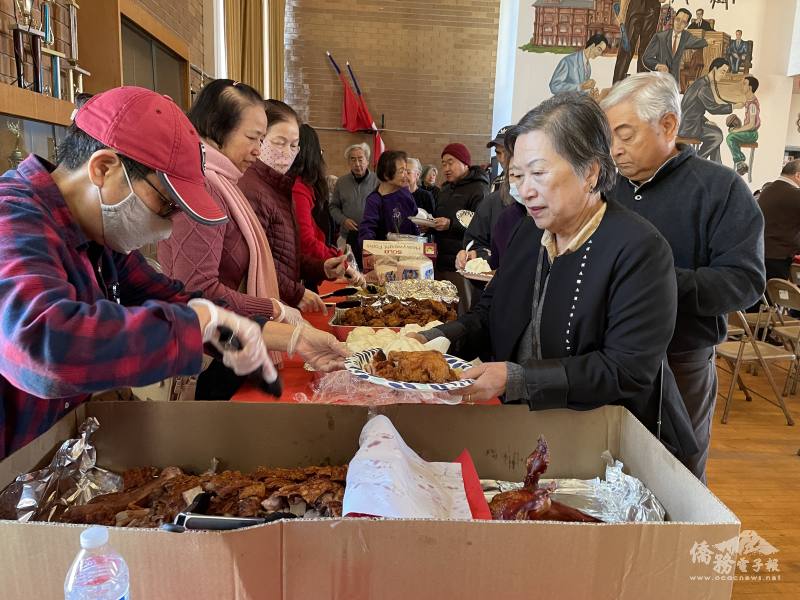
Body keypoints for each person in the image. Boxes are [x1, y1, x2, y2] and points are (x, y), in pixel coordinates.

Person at [0, 87, 345, 458]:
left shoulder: (100, 240)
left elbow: (178, 300)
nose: (168, 225)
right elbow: (44, 350)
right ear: (103, 168)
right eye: (165, 203)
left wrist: (293, 339)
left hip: (53, 450)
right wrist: (195, 325)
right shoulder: (14, 221)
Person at [415, 93, 697, 461]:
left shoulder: (640, 249)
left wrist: (519, 379)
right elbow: (489, 314)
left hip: (604, 445)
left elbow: (626, 369)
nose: (525, 189)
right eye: (518, 175)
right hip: (525, 428)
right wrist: (428, 340)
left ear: (591, 172)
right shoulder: (529, 231)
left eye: (539, 172)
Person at [601, 72, 765, 481]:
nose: (615, 151)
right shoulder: (606, 189)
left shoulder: (720, 189)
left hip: (680, 361)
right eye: (610, 138)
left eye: (625, 135)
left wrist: (656, 281)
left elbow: (744, 281)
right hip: (603, 360)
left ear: (668, 126)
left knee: (676, 478)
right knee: (607, 470)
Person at [240, 100, 348, 309]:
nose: (287, 153)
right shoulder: (252, 189)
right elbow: (254, 264)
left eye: (293, 145)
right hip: (264, 307)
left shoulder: (280, 187)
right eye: (279, 143)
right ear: (260, 140)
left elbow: (286, 254)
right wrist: (296, 292)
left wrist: (321, 267)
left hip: (280, 301)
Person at [433, 143, 489, 312]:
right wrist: (430, 226)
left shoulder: (479, 189)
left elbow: (481, 227)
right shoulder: (445, 189)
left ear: (465, 163)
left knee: (461, 308)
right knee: (441, 309)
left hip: (461, 263)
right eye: (443, 163)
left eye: (450, 162)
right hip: (440, 259)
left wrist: (451, 225)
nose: (446, 168)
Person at [289, 124, 339, 270]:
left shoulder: (309, 184)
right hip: (307, 264)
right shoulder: (298, 187)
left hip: (315, 260)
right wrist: (334, 259)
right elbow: (305, 239)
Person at [678, 57, 741, 163]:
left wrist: (706, 121)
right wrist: (734, 106)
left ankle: (716, 167)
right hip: (690, 127)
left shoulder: (701, 82)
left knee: (715, 133)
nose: (724, 75)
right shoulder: (703, 87)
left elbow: (693, 108)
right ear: (714, 69)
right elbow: (713, 108)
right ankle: (695, 162)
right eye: (723, 72)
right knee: (717, 136)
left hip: (689, 123)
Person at [329, 143, 379, 263]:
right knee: (346, 272)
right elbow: (333, 207)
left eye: (360, 159)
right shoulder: (341, 182)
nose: (357, 164)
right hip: (346, 237)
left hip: (373, 238)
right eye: (353, 159)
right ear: (348, 162)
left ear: (367, 161)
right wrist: (343, 220)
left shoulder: (378, 181)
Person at [359, 150, 420, 242]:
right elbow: (367, 229)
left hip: (410, 249)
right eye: (401, 171)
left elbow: (414, 215)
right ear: (386, 175)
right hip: (387, 253)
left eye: (406, 170)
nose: (405, 175)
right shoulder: (375, 200)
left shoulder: (404, 192)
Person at [757, 160, 800, 281]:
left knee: (765, 296)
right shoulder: (795, 194)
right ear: (798, 175)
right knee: (778, 298)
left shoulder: (767, 190)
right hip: (778, 258)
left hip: (759, 252)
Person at [642, 8, 707, 83]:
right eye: (678, 19)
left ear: (686, 25)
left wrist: (707, 41)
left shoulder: (687, 37)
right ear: (674, 19)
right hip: (659, 80)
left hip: (675, 82)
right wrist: (657, 65)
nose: (679, 24)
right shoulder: (660, 37)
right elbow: (646, 58)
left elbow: (698, 42)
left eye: (683, 22)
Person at [612, 0, 664, 83]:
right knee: (627, 47)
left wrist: (621, 12)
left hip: (651, 7)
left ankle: (640, 87)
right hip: (638, 6)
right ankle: (616, 85)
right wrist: (621, 12)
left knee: (645, 51)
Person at [726, 76, 760, 175]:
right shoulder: (749, 101)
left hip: (751, 133)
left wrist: (737, 130)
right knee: (732, 130)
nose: (742, 86)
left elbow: (752, 125)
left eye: (744, 84)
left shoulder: (752, 105)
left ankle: (740, 162)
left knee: (730, 138)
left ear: (750, 88)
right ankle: (740, 162)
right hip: (748, 132)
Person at [486, 126, 511, 192]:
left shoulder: (532, 183)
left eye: (507, 153)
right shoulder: (497, 183)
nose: (502, 159)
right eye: (498, 153)